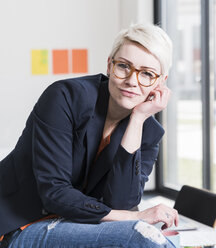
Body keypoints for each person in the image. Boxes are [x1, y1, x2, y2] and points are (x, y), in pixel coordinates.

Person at [0, 23, 178, 248]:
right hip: (19, 223)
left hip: (75, 223)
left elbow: (121, 203)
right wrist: (135, 218)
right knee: (137, 234)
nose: (132, 81)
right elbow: (54, 192)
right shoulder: (64, 98)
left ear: (160, 82)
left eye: (147, 74)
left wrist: (137, 120)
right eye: (124, 66)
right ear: (109, 65)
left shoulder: (149, 131)